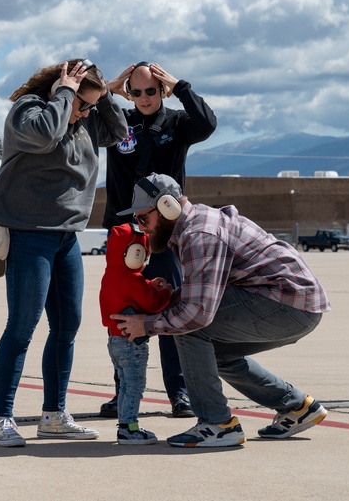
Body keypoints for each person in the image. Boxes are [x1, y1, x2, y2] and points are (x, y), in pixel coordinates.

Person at [111, 174, 331, 448]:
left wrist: (147, 325)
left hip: (288, 305)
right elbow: (205, 292)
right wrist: (166, 297)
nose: (142, 228)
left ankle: (216, 424)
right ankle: (297, 407)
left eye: (144, 218)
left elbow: (197, 313)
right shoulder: (192, 227)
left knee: (191, 326)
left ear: (168, 207)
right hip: (293, 304)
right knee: (217, 352)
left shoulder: (200, 234)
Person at [0, 59, 128, 447]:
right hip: (30, 233)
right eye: (82, 104)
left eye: (89, 107)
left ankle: (54, 414)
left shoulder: (84, 118)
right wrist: (65, 94)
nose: (84, 113)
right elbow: (46, 136)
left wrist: (106, 97)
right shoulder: (29, 112)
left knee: (67, 327)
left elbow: (118, 133)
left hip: (67, 237)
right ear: (62, 88)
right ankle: (2, 419)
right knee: (22, 326)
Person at [100, 61, 217, 420]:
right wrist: (107, 90)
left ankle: (178, 392)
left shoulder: (178, 125)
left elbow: (208, 124)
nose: (144, 97)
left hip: (164, 232)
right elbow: (88, 113)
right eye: (136, 91)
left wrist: (180, 86)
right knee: (124, 312)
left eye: (151, 90)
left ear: (161, 90)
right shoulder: (117, 122)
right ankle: (124, 394)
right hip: (124, 231)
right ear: (127, 93)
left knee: (170, 306)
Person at [99, 223, 172, 445]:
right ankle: (129, 428)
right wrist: (166, 292)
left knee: (124, 385)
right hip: (132, 343)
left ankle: (125, 424)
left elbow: (128, 293)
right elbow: (151, 304)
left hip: (114, 340)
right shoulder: (133, 279)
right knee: (135, 386)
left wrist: (149, 283)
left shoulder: (111, 275)